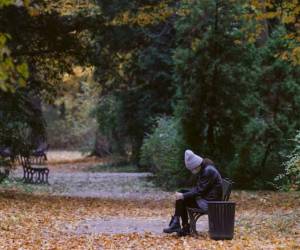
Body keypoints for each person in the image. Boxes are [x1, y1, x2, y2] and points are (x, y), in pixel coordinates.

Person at [163, 149, 223, 236]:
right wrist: (183, 194)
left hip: (210, 203)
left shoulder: (207, 171)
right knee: (182, 193)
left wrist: (183, 195)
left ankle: (182, 226)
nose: (192, 172)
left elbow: (200, 191)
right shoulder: (205, 168)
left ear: (196, 165)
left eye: (192, 169)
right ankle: (180, 224)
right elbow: (200, 189)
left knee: (183, 198)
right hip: (208, 198)